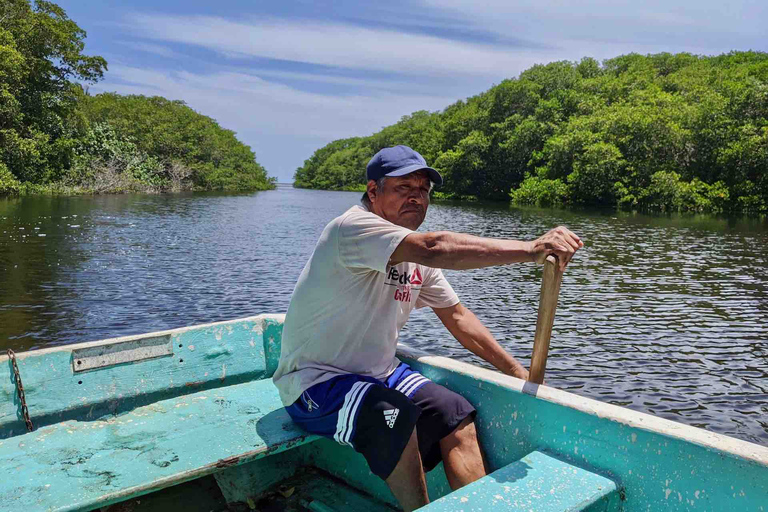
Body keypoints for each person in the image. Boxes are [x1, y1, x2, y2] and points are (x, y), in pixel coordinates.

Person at [273, 145, 583, 511]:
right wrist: (531, 248)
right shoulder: (352, 228)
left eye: (423, 190)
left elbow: (458, 318)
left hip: (378, 372)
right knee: (392, 414)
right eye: (404, 188)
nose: (416, 198)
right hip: (314, 382)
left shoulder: (414, 256)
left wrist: (520, 375)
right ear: (374, 192)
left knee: (455, 412)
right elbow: (436, 247)